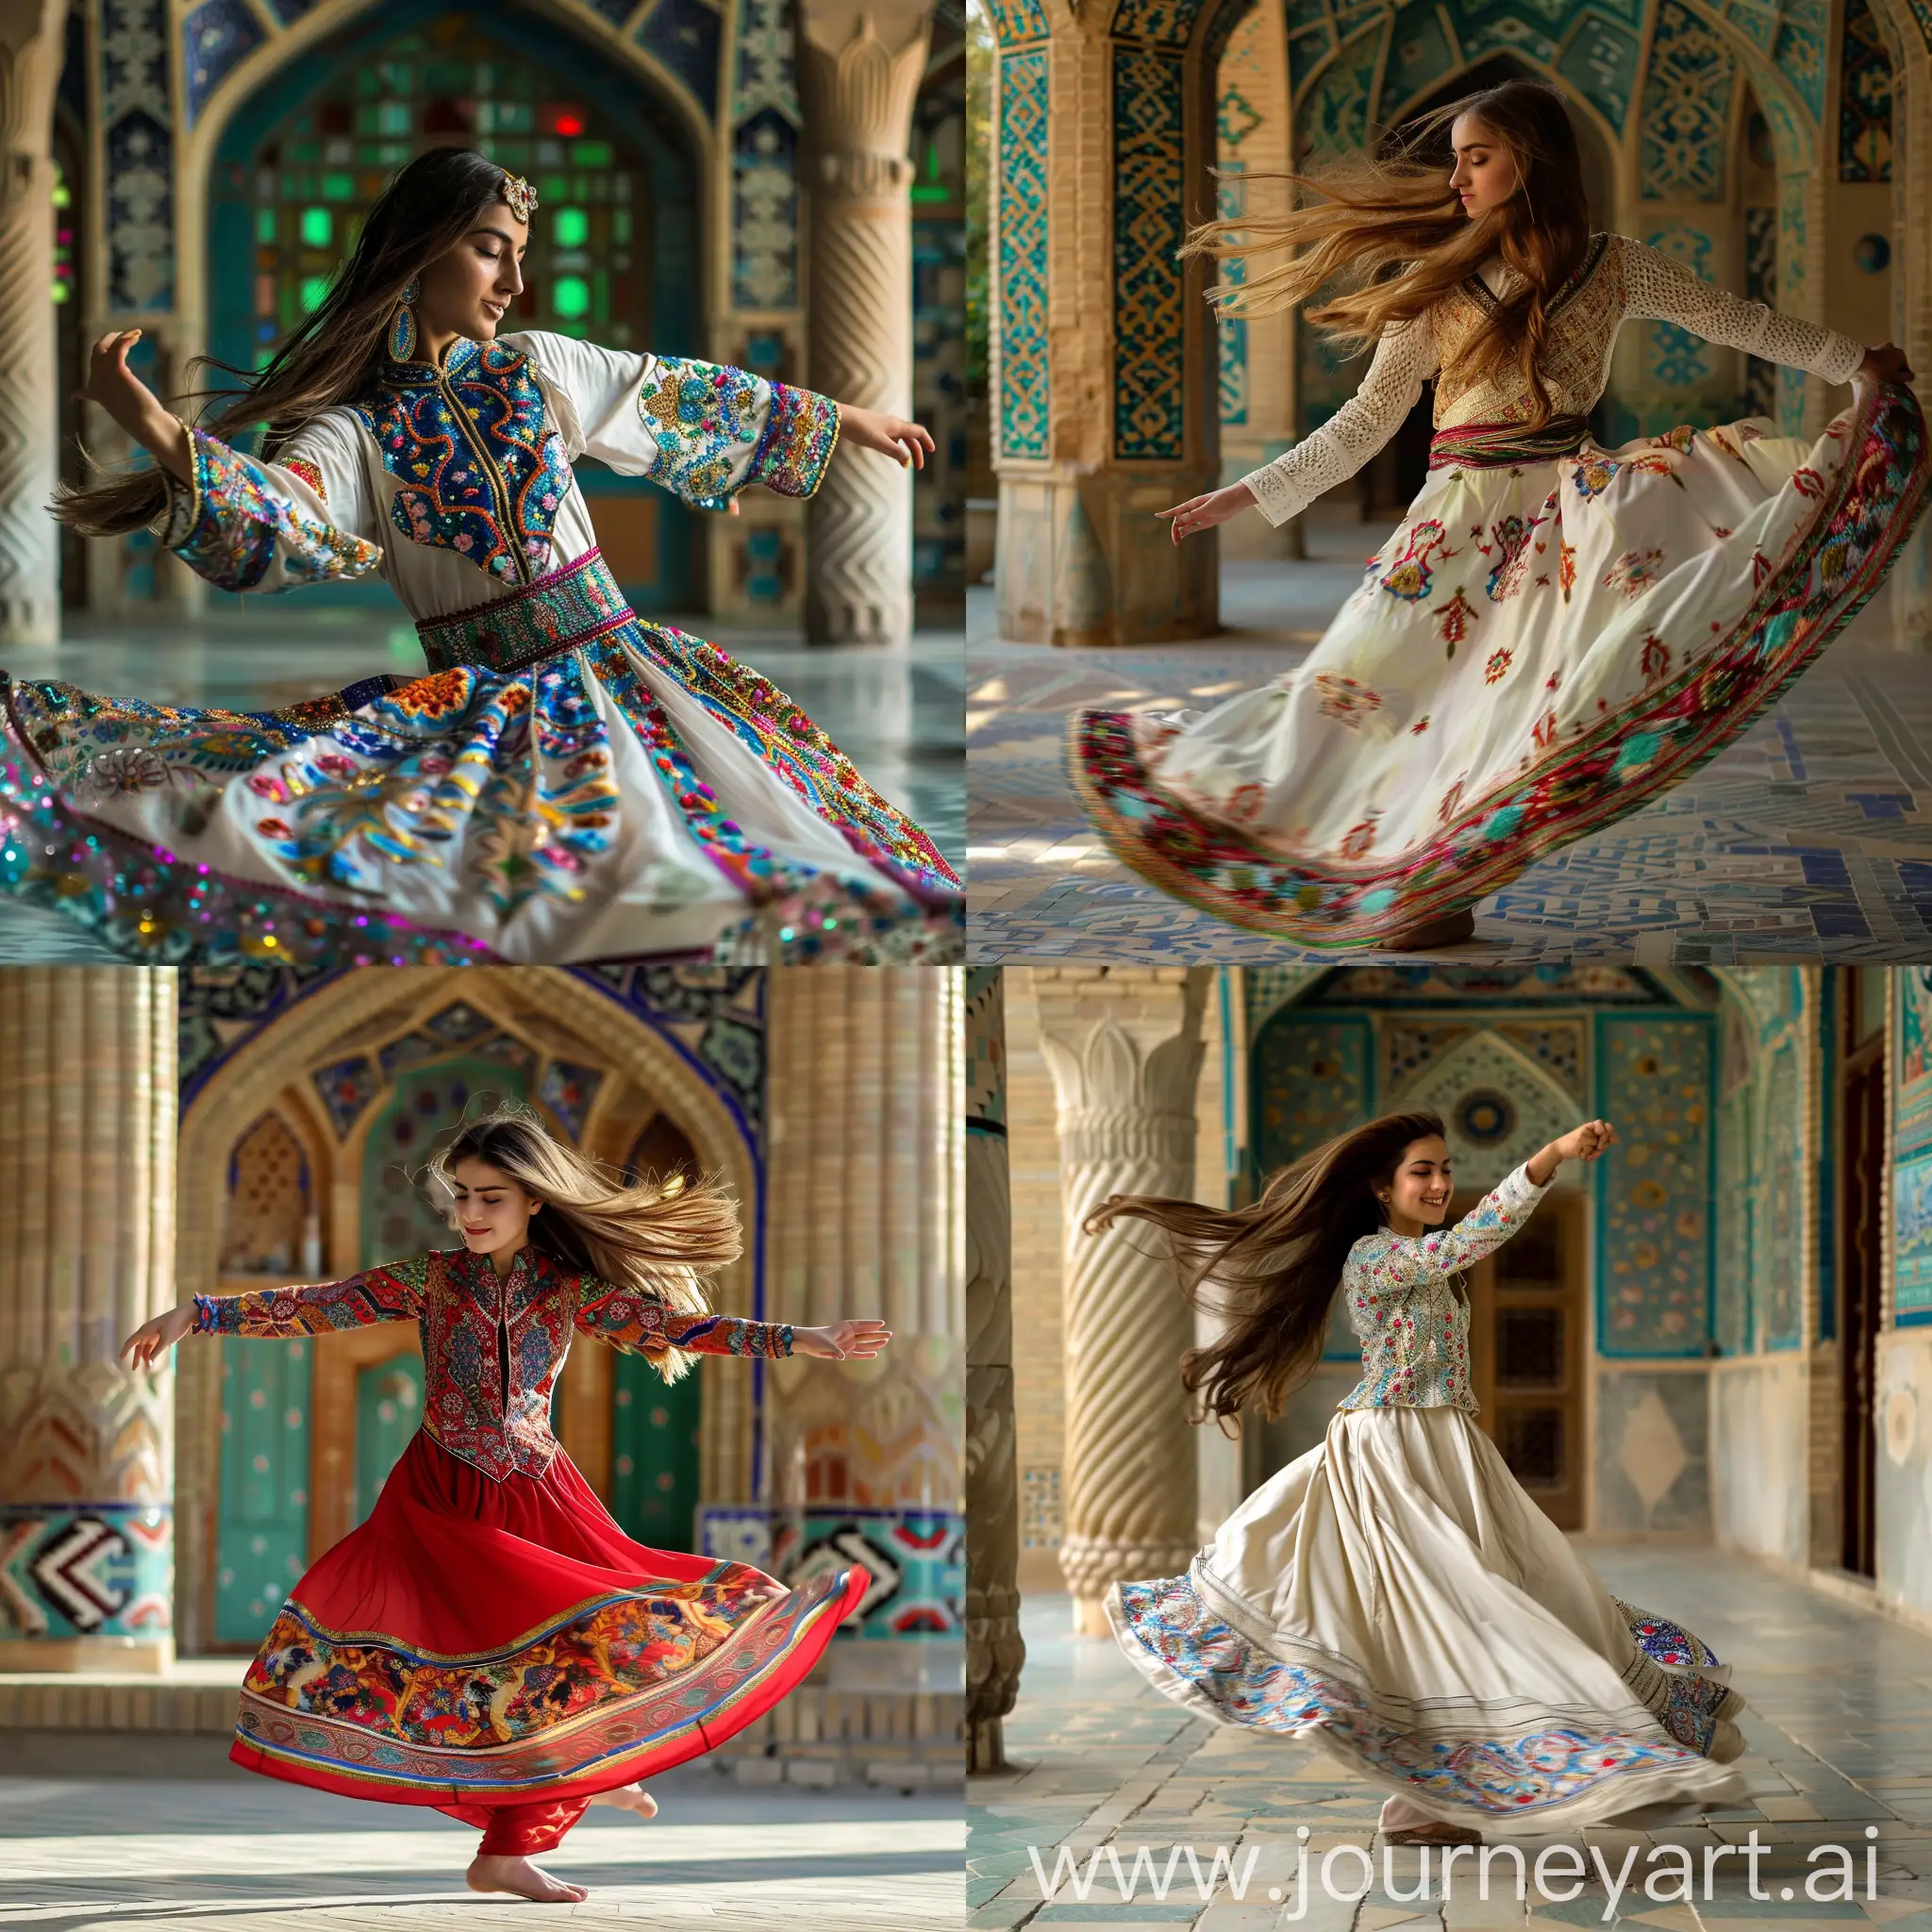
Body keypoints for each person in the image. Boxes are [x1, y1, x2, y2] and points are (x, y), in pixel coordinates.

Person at [6, 146, 959, 970]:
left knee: (743, 859)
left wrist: (841, 418)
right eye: (489, 251)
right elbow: (279, 518)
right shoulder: (355, 433)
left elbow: (672, 395)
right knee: (376, 855)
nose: (511, 282)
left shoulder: (540, 365)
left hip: (625, 675)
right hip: (482, 698)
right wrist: (151, 424)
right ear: (420, 257)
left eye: (517, 257)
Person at [1073, 78, 1928, 951]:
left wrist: (1855, 363)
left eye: (1476, 158)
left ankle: (1440, 888)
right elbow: (1365, 422)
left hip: (1566, 524)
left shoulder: (1614, 264)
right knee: (1358, 694)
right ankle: (1307, 845)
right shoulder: (1438, 282)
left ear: (1532, 158)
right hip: (1450, 530)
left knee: (1504, 716)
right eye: (1455, 161)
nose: (1458, 180)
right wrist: (1246, 495)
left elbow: (1730, 319)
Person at [119, 1103, 891, 1904]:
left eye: (490, 1197)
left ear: (534, 1202)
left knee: (592, 1632)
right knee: (483, 1664)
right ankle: (567, 1790)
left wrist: (801, 1338)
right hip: (440, 1494)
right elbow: (322, 1304)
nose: (471, 1213)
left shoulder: (567, 1290)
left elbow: (678, 1328)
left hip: (536, 1490)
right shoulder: (429, 1279)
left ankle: (556, 1803)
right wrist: (197, 1314)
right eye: (461, 1195)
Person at [1087, 1108, 1748, 1843]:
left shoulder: (1421, 1252)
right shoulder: (1375, 1258)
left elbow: (1457, 1246)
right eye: (1422, 1171)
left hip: (1451, 1449)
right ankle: (1454, 1791)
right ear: (1381, 1187)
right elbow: (1473, 1240)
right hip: (1394, 1454)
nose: (1438, 1183)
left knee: (1539, 1596)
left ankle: (1432, 1800)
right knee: (1458, 1611)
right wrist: (1551, 1155)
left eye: (1444, 1169)